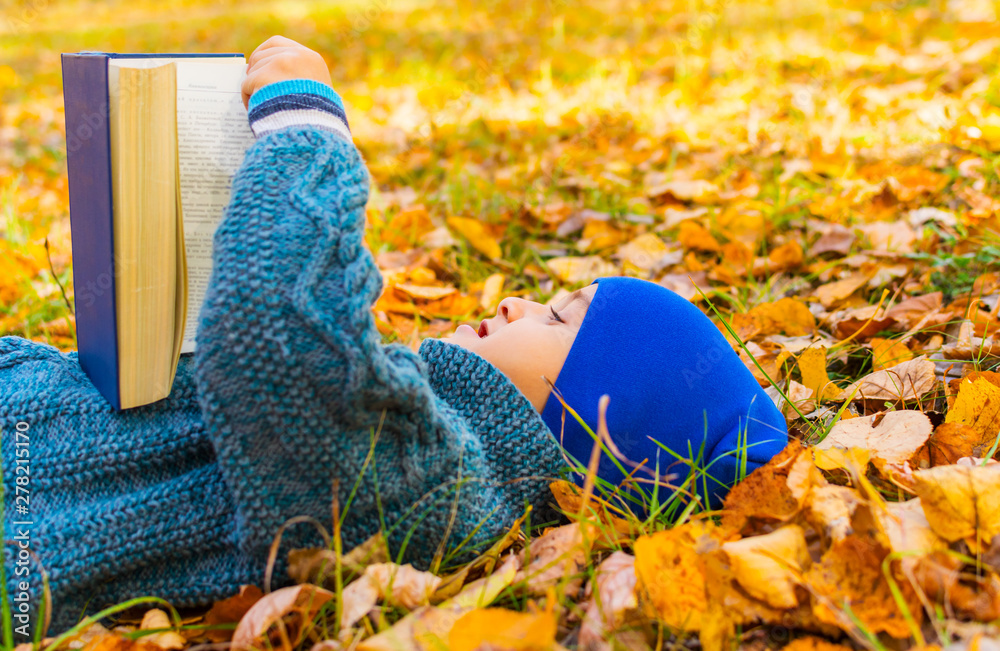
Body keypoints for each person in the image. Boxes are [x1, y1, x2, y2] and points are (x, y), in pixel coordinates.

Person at [1, 36, 786, 637]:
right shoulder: (434, 428)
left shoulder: (444, 488)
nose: (515, 300)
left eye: (558, 317)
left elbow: (278, 339)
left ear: (598, 421)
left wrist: (303, 126)